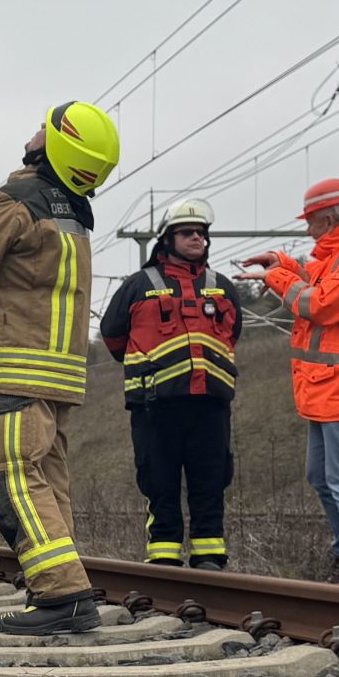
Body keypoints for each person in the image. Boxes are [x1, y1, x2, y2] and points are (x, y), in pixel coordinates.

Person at [0, 102, 121, 634]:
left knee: (8, 480)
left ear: (54, 146)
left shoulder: (12, 200)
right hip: (58, 371)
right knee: (47, 483)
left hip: (13, 365)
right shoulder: (71, 211)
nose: (34, 131)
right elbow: (25, 269)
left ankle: (63, 595)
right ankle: (58, 584)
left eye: (42, 128)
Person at [241, 178, 339, 585]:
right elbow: (312, 277)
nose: (307, 230)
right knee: (322, 476)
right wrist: (278, 261)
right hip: (329, 385)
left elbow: (317, 304)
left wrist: (275, 278)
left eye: (309, 221)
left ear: (327, 218)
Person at [102, 196, 241, 568]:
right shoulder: (137, 286)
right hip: (155, 407)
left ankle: (209, 557)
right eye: (187, 232)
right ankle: (164, 559)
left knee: (211, 481)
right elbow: (113, 337)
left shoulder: (223, 287)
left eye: (201, 233)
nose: (197, 238)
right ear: (167, 239)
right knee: (159, 482)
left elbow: (232, 335)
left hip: (211, 404)